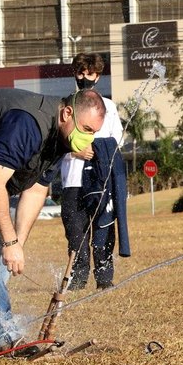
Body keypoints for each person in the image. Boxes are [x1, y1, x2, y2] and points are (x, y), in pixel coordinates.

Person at [0, 87, 106, 356]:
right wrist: (9, 240)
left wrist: (17, 241)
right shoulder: (28, 123)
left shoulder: (61, 137)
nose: (89, 139)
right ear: (67, 113)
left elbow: (36, 188)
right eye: (87, 129)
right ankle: (4, 333)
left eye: (94, 133)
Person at [59, 53, 127, 290]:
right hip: (72, 182)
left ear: (98, 76)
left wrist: (97, 149)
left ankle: (105, 280)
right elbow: (54, 141)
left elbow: (117, 139)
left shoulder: (108, 106)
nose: (84, 77)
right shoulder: (65, 103)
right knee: (76, 235)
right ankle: (77, 281)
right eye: (80, 72)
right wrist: (73, 150)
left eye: (90, 73)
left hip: (100, 181)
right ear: (74, 74)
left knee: (103, 230)